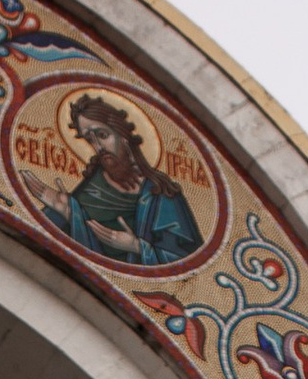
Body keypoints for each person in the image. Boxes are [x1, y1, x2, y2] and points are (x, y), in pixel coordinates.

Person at [48, 94, 203, 268]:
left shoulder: (161, 193)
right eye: (90, 140)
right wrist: (67, 212)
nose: (98, 147)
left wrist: (137, 247)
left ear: (123, 135)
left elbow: (186, 261)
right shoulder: (92, 185)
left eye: (103, 135)